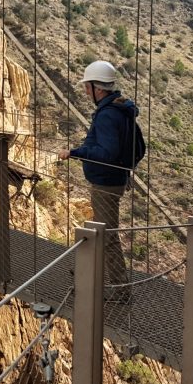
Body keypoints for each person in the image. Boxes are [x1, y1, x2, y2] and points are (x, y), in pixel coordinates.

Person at [58, 60, 143, 287]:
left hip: (106, 183)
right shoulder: (121, 108)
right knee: (100, 228)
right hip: (116, 178)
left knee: (107, 235)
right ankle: (90, 271)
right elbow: (137, 148)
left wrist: (75, 152)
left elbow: (107, 153)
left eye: (87, 87)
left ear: (98, 87)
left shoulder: (107, 114)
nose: (86, 92)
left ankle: (119, 286)